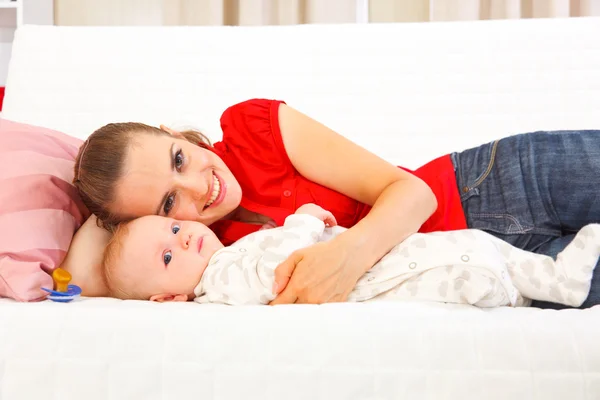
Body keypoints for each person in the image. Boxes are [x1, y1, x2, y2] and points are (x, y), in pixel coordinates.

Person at [72, 98, 600, 309]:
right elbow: (75, 279)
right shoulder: (214, 264)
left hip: (486, 184)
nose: (198, 187)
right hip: (498, 275)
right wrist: (96, 211)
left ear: (176, 133)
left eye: (178, 158)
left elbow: (414, 193)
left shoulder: (255, 129)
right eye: (167, 202)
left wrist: (346, 256)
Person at [101, 203, 599, 308]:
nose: (184, 238)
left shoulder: (226, 254)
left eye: (173, 227)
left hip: (386, 256)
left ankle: (556, 281)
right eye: (168, 257)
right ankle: (542, 286)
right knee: (462, 258)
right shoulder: (221, 285)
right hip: (392, 277)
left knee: (476, 243)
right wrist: (301, 222)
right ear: (166, 298)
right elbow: (277, 272)